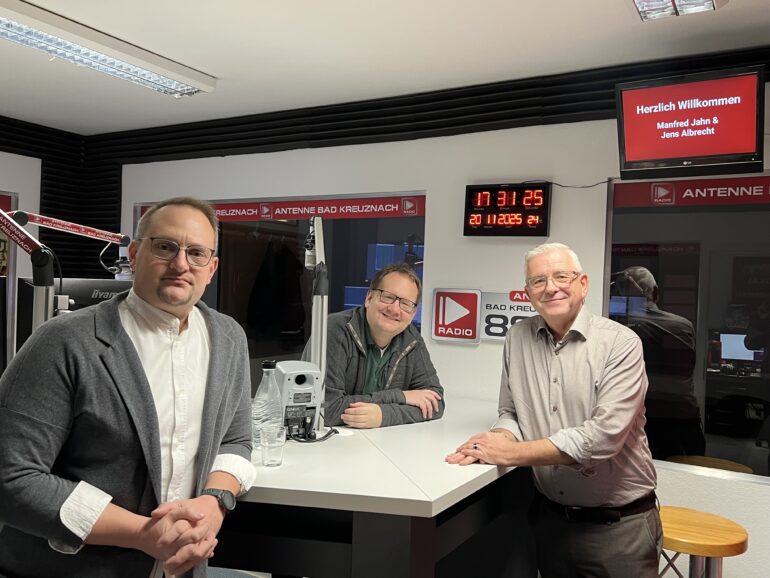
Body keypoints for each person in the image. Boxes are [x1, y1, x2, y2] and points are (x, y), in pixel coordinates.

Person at [0, 197, 255, 578]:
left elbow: (236, 440)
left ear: (212, 268)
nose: (181, 264)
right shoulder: (65, 341)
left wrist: (214, 502)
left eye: (196, 253)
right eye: (165, 246)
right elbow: (12, 476)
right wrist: (142, 534)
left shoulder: (228, 338)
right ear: (134, 254)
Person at [447, 243, 661, 577]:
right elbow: (511, 411)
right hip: (550, 523)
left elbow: (603, 438)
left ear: (583, 284)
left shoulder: (621, 344)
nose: (550, 287)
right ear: (528, 293)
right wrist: (499, 437)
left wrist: (510, 453)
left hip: (619, 531)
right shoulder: (517, 338)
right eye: (538, 280)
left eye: (561, 276)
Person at [319, 262, 444, 428]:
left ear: (413, 313)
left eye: (406, 304)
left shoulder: (412, 340)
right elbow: (326, 410)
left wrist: (384, 415)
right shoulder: (335, 330)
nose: (395, 309)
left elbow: (435, 404)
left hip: (383, 440)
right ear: (369, 298)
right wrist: (401, 397)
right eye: (388, 297)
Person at [612, 265, 705, 459]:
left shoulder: (619, 328)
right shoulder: (683, 326)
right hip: (682, 420)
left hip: (643, 420)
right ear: (655, 292)